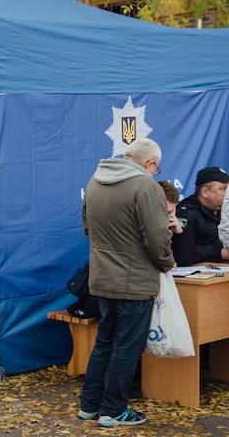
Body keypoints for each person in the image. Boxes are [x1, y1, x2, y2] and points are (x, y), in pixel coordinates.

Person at [78, 138, 174, 427]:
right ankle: (114, 410)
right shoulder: (146, 186)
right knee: (126, 347)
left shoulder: (95, 181)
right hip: (135, 282)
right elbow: (158, 238)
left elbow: (87, 228)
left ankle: (90, 406)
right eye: (156, 169)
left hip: (103, 278)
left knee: (105, 342)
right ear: (150, 164)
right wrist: (167, 263)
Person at [172, 166, 229, 266]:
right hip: (198, 276)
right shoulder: (187, 213)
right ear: (205, 192)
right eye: (223, 189)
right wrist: (220, 253)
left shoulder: (224, 210)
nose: (226, 194)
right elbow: (184, 253)